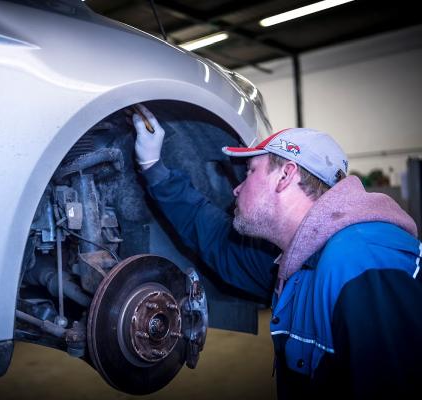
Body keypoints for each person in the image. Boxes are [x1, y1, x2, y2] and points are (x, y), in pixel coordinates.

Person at [131, 104, 422, 399]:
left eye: (250, 172)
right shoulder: (295, 261)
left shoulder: (363, 262)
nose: (236, 188)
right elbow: (214, 238)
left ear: (285, 176)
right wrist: (153, 166)